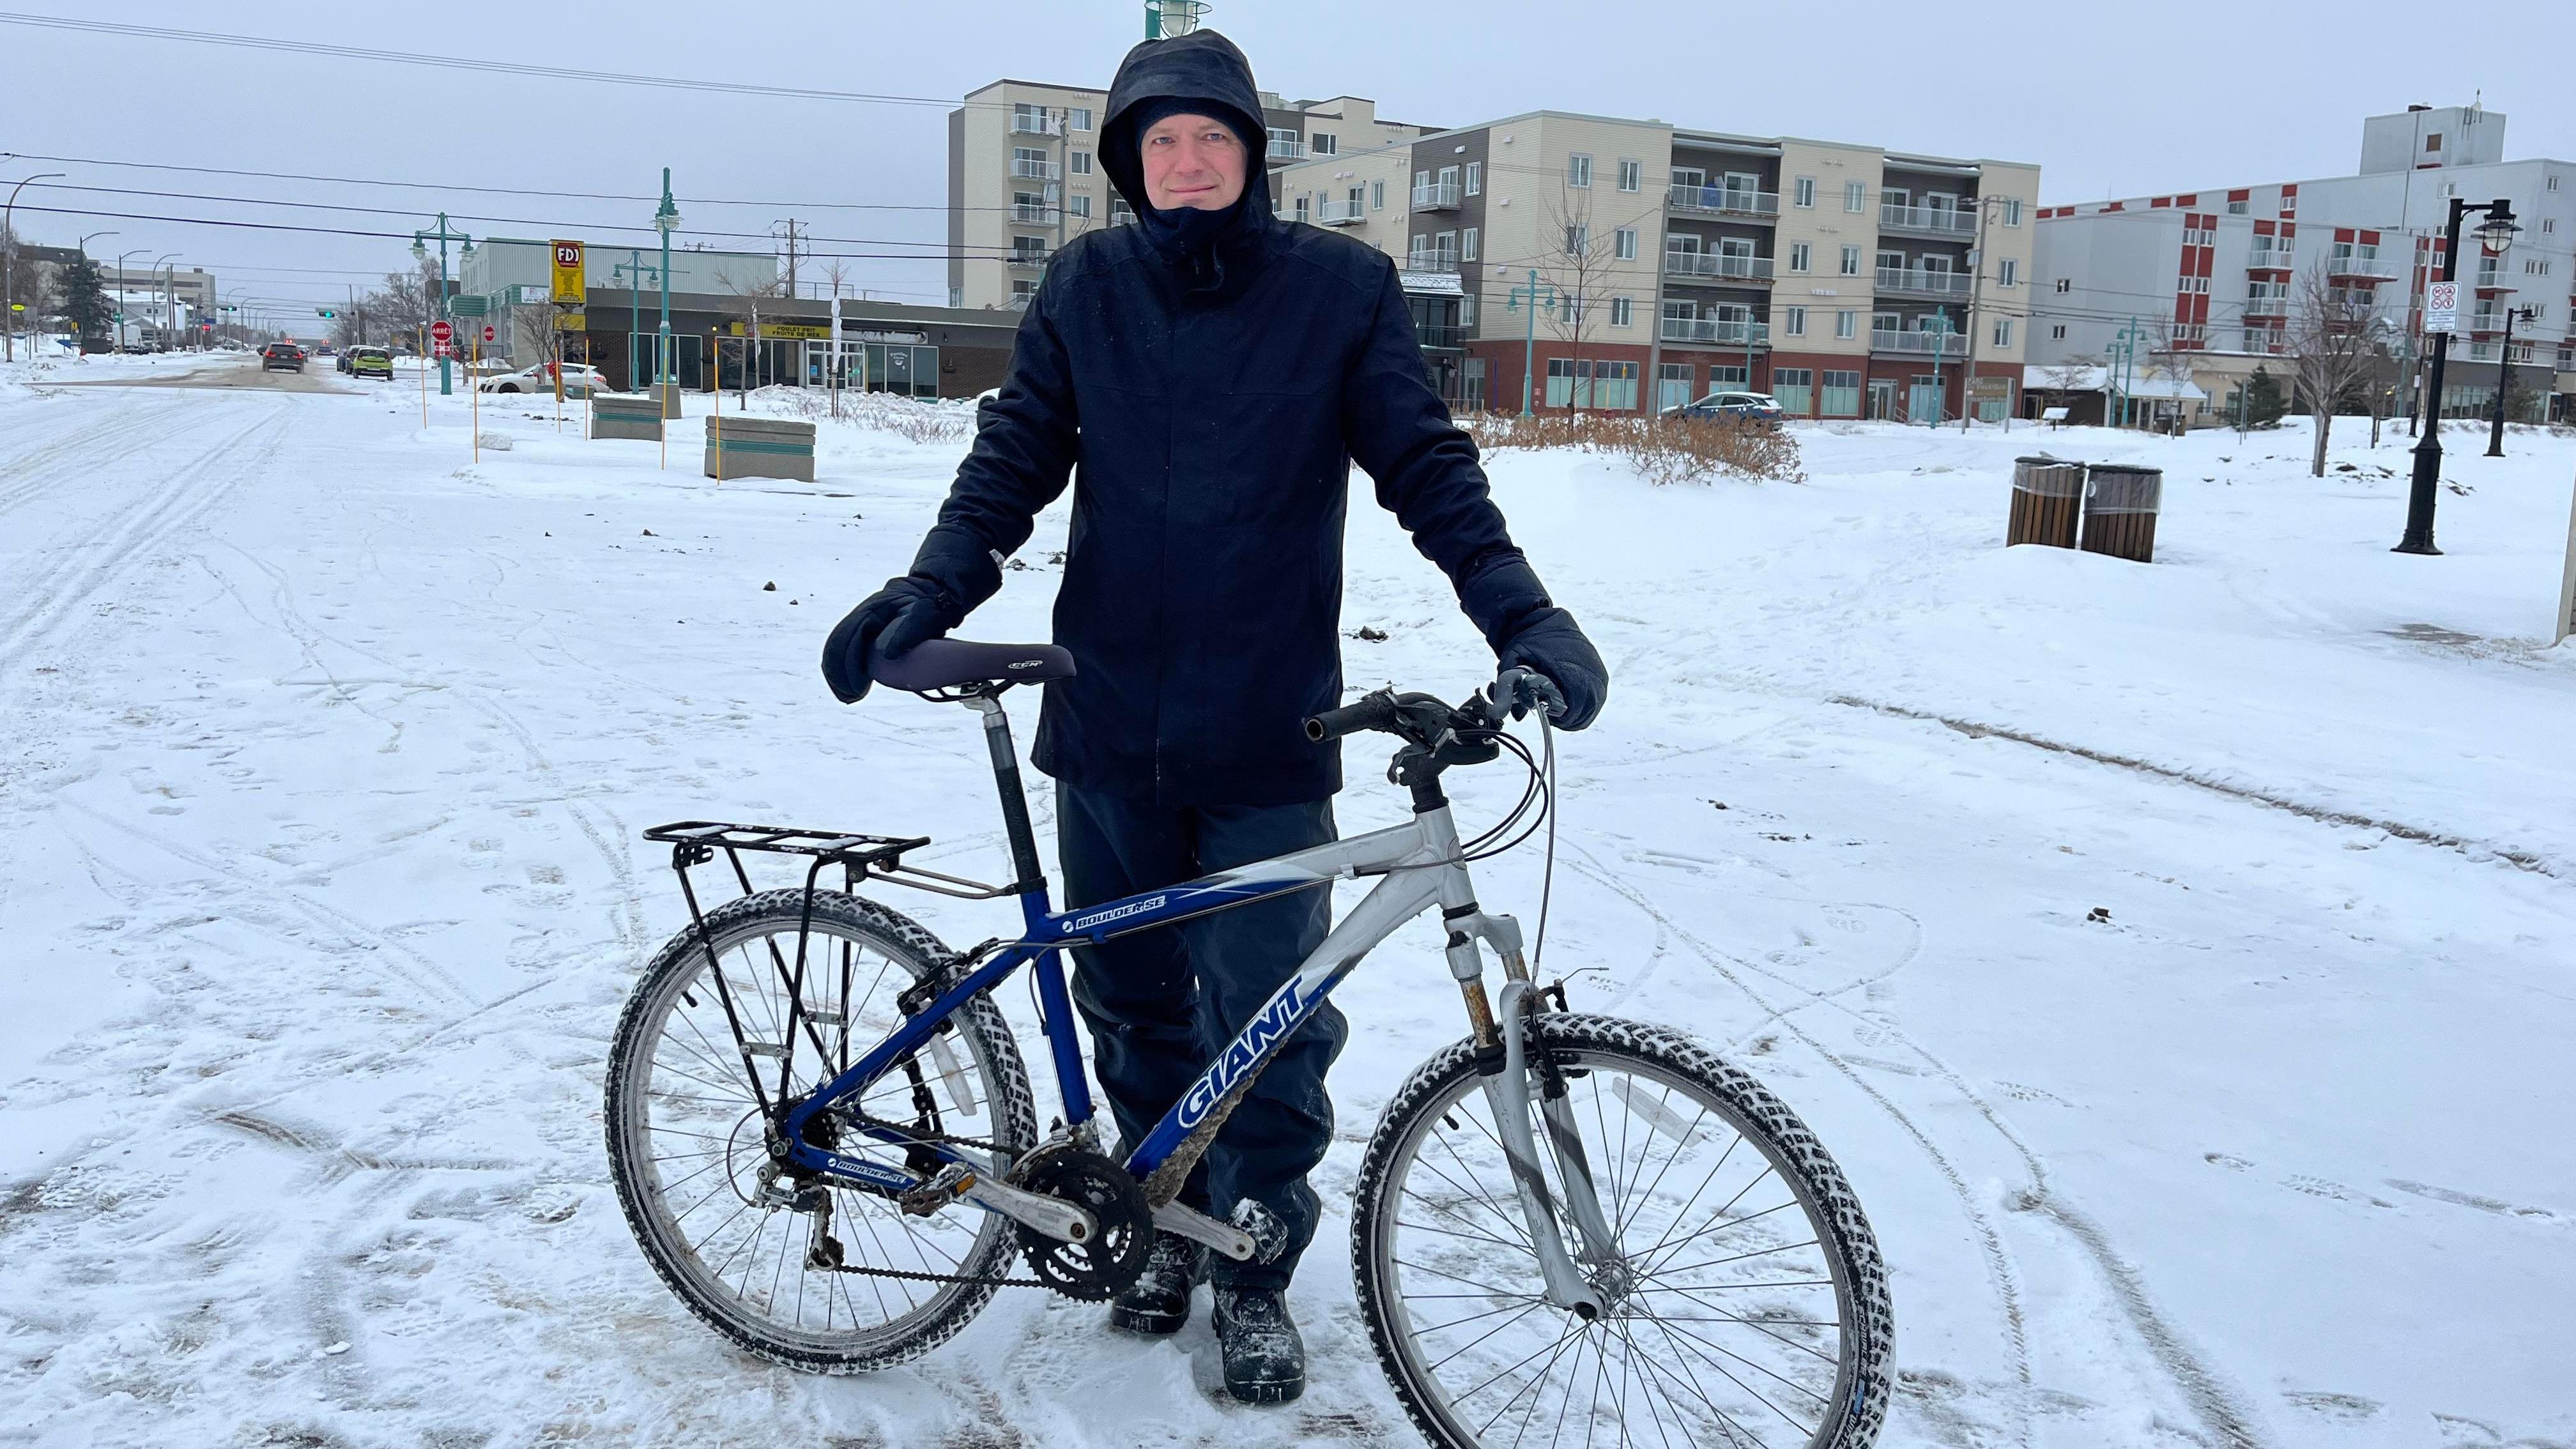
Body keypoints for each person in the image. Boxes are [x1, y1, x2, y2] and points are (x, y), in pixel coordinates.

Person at [820, 29, 1605, 1405]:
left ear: (1250, 155)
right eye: (1159, 142)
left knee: (1274, 1023)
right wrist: (929, 588)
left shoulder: (1341, 294)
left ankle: (1249, 1263)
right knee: (1129, 1002)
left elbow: (1428, 467)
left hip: (1264, 730)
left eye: (1211, 138)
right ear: (1132, 164)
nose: (1185, 161)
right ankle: (1160, 1222)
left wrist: (1520, 615)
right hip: (1107, 715)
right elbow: (1013, 462)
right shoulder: (1087, 286)